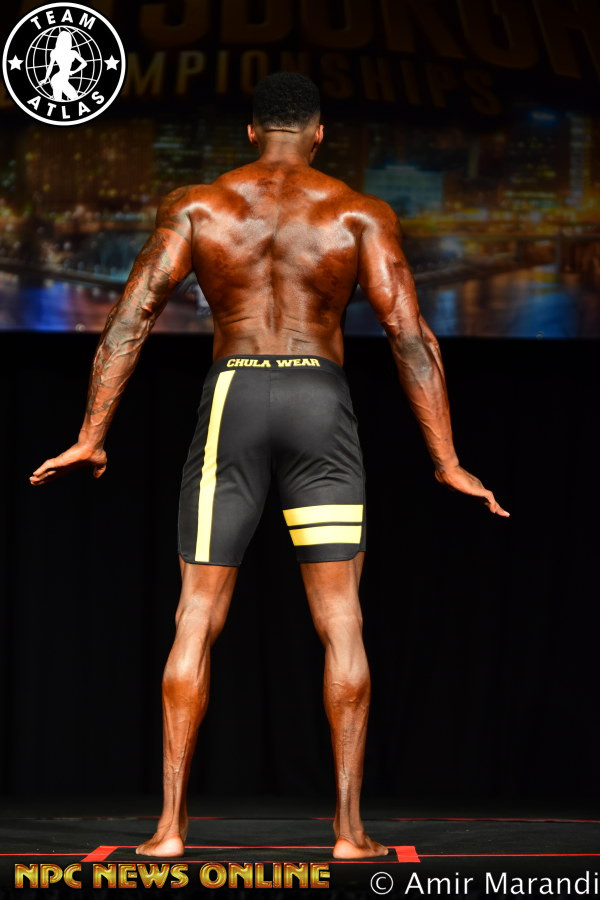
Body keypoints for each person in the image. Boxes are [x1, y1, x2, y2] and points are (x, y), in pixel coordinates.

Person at [30, 72, 509, 860]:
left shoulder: (200, 206)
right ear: (319, 134)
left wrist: (91, 434)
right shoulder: (358, 213)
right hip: (321, 401)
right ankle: (350, 833)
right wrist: (447, 460)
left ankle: (169, 831)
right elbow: (411, 336)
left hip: (236, 395)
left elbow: (130, 317)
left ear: (251, 132)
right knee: (342, 619)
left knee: (195, 616)